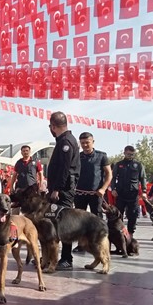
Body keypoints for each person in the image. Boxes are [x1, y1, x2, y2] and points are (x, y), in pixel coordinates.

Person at [45, 112, 80, 271]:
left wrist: (56, 189)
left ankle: (66, 258)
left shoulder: (66, 141)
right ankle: (51, 256)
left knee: (64, 223)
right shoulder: (64, 140)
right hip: (60, 188)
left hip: (63, 190)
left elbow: (64, 169)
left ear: (53, 126)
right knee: (54, 222)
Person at [111, 145, 147, 236]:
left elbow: (143, 178)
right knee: (119, 214)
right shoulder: (118, 164)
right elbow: (113, 177)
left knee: (133, 215)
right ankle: (120, 232)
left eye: (132, 154)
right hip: (121, 193)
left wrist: (144, 191)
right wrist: (113, 189)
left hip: (133, 194)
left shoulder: (138, 165)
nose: (130, 156)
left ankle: (130, 233)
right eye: (128, 154)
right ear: (124, 153)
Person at [74, 132, 112, 217]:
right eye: (82, 143)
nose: (85, 145)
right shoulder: (77, 157)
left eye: (87, 142)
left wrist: (103, 188)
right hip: (80, 193)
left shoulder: (102, 156)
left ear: (93, 142)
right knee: (79, 219)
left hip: (96, 193)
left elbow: (109, 173)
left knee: (97, 219)